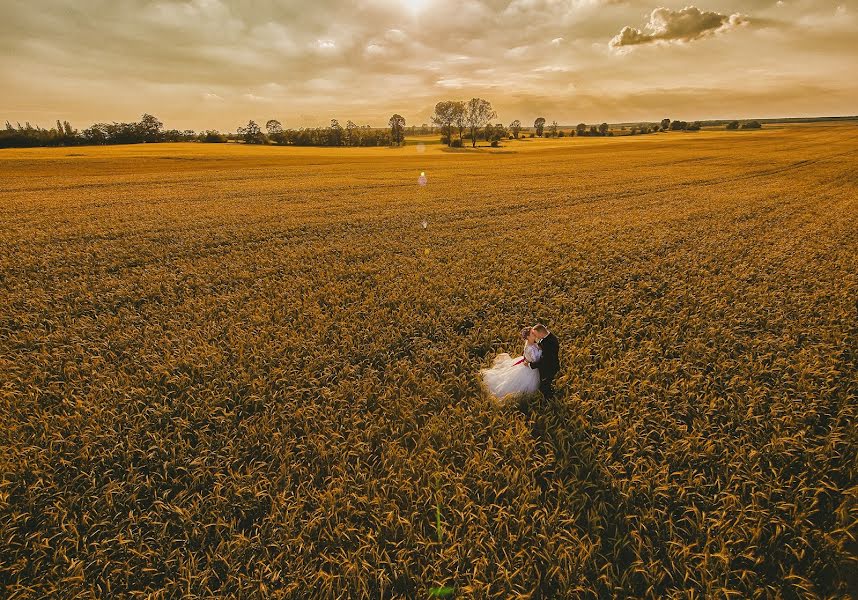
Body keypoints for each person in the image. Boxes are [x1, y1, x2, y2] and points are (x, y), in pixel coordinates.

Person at [480, 327, 542, 402]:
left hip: (526, 362)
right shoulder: (529, 348)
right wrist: (541, 352)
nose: (535, 333)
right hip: (530, 368)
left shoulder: (532, 341)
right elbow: (535, 360)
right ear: (528, 337)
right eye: (532, 333)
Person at [524, 323, 559, 399]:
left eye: (536, 334)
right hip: (546, 365)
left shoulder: (550, 344)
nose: (535, 336)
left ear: (541, 333)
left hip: (549, 368)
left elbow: (544, 362)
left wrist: (530, 365)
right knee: (543, 384)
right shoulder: (546, 336)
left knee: (545, 386)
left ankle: (548, 400)